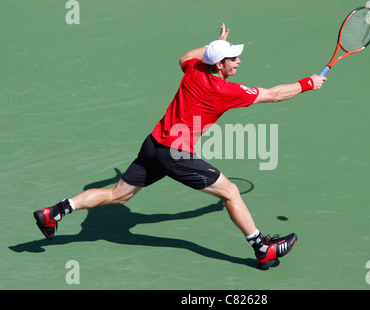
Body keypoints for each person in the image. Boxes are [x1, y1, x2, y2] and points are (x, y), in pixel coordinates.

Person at [33, 23, 326, 270]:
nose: (238, 61)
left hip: (153, 144)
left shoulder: (195, 69)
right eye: (232, 58)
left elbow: (186, 56)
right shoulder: (225, 91)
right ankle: (262, 249)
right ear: (219, 64)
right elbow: (273, 94)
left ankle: (54, 212)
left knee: (117, 195)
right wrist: (309, 83)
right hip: (176, 155)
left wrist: (215, 45)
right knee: (230, 193)